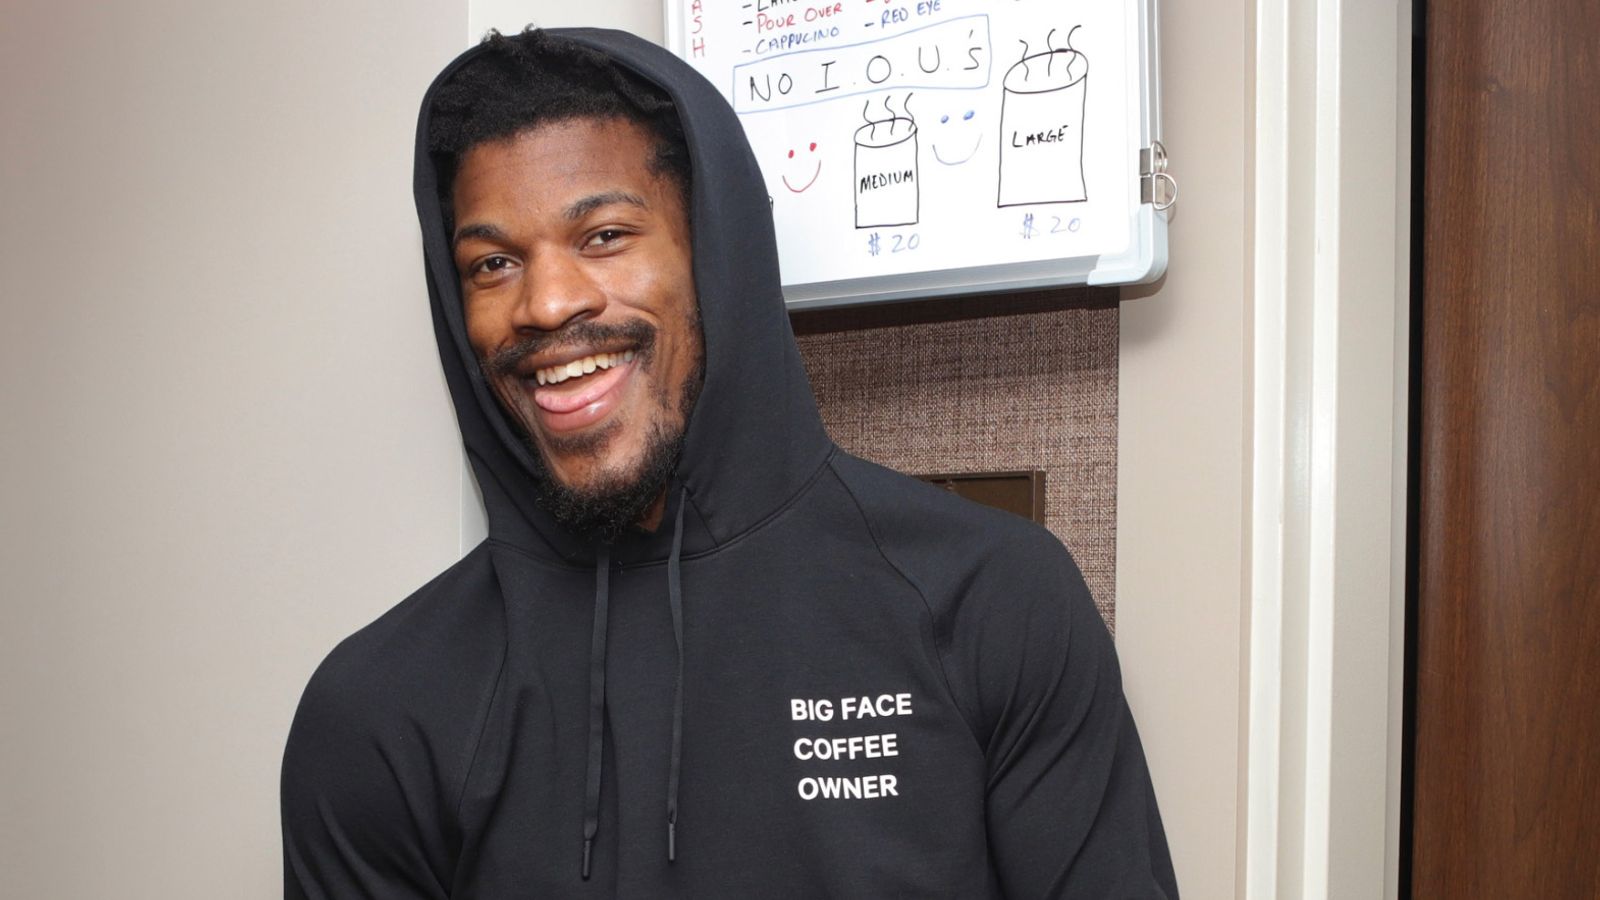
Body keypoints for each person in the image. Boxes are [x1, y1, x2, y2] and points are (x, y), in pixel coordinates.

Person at [280, 26, 1177, 899]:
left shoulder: (992, 600)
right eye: (493, 264)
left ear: (716, 252)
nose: (546, 304)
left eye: (604, 236)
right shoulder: (376, 711)